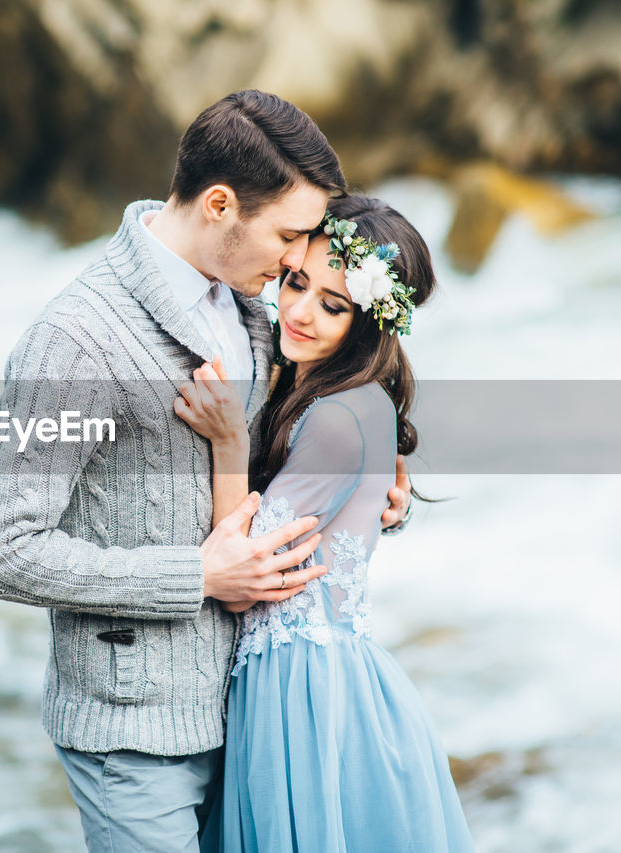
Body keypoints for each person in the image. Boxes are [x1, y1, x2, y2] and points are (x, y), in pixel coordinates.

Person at [0, 91, 412, 852]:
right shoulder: (70, 341)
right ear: (218, 205)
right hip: (134, 733)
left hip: (247, 719)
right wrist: (194, 576)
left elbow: (276, 476)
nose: (295, 258)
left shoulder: (255, 316)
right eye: (287, 234)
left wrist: (369, 492)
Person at [175, 193, 475, 851]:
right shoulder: (330, 396)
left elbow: (247, 568)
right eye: (296, 281)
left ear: (367, 322)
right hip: (301, 680)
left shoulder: (340, 415)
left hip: (303, 694)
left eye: (333, 305)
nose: (301, 311)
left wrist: (228, 442)